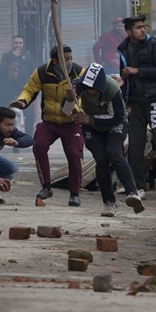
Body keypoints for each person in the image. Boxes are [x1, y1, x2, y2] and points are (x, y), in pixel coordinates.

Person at [64, 62, 144, 217]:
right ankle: (109, 202)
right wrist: (68, 99)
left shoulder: (112, 89)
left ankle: (132, 193)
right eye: (89, 93)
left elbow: (118, 117)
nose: (91, 96)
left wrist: (89, 119)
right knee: (101, 159)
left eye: (95, 94)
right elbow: (66, 111)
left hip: (115, 124)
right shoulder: (76, 88)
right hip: (92, 129)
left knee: (113, 153)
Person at [10, 45, 85, 206]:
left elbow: (87, 95)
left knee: (74, 154)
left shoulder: (79, 72)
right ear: (55, 60)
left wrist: (76, 106)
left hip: (71, 123)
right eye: (66, 59)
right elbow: (29, 89)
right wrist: (22, 101)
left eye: (71, 58)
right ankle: (46, 186)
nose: (70, 62)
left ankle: (75, 193)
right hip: (50, 121)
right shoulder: (42, 72)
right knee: (39, 145)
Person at [117, 16, 156, 200]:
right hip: (136, 102)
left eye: (144, 27)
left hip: (155, 100)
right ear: (129, 32)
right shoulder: (123, 49)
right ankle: (139, 187)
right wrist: (123, 84)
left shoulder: (153, 45)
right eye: (138, 28)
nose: (143, 30)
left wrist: (137, 71)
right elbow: (125, 75)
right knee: (135, 145)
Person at [0, 35, 34, 132]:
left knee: (29, 115)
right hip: (9, 91)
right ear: (12, 44)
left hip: (23, 90)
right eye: (16, 43)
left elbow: (31, 72)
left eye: (20, 43)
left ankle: (29, 137)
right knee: (7, 115)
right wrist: (13, 57)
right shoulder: (6, 56)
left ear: (23, 44)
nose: (18, 45)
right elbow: (1, 70)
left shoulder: (27, 56)